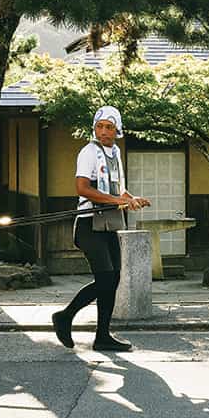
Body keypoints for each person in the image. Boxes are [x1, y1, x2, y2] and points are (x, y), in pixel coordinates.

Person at [51, 105, 150, 352]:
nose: (104, 131)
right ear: (94, 128)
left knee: (113, 278)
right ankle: (65, 316)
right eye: (100, 126)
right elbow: (82, 188)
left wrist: (132, 198)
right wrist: (119, 201)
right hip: (88, 223)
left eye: (109, 127)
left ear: (118, 130)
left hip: (109, 223)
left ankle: (103, 336)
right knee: (105, 278)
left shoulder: (115, 153)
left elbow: (118, 190)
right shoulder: (89, 152)